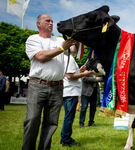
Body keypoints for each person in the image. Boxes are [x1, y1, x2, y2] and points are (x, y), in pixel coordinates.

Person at [22, 14, 77, 150]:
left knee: (51, 123)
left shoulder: (59, 39)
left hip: (57, 86)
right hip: (38, 85)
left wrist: (75, 37)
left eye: (52, 21)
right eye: (48, 21)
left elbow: (73, 51)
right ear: (39, 24)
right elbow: (41, 57)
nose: (51, 23)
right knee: (33, 119)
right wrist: (62, 48)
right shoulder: (33, 39)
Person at [60, 46, 93, 147]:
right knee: (69, 116)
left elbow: (71, 74)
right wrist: (84, 74)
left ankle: (64, 137)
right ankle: (66, 139)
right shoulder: (69, 58)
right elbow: (70, 76)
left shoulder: (68, 58)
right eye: (73, 44)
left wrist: (80, 71)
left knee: (69, 115)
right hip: (70, 91)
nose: (76, 46)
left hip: (70, 91)